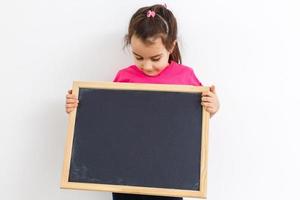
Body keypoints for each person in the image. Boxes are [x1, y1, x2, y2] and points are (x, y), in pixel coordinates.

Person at [65, 4, 220, 200]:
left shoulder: (185, 77)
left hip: (169, 176)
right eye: (138, 57)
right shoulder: (124, 77)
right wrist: (79, 107)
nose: (147, 66)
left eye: (155, 58)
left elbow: (196, 120)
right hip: (127, 174)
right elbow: (106, 121)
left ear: (171, 46)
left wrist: (213, 106)